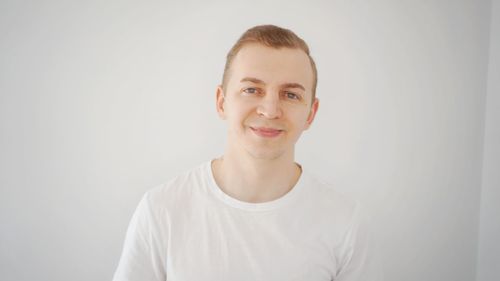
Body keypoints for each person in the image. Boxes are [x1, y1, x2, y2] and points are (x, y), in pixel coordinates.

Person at [112, 24, 380, 281]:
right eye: (251, 90)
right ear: (221, 102)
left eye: (290, 95)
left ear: (311, 113)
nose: (270, 109)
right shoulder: (161, 210)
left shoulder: (345, 223)